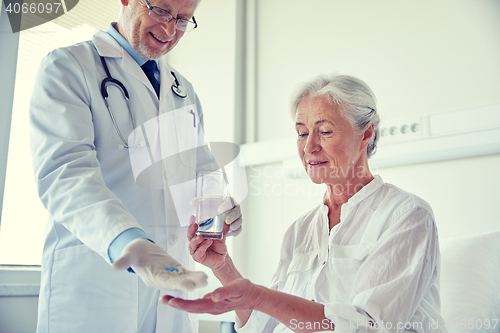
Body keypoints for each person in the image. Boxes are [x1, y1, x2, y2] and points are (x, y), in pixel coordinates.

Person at [162, 74, 447, 333]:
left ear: (366, 134)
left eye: (324, 131)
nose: (309, 147)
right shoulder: (300, 231)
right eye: (301, 133)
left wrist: (259, 295)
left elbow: (367, 327)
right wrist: (223, 266)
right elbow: (264, 325)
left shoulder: (406, 216)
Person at [29, 0, 242, 332]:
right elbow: (65, 175)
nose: (170, 30)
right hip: (96, 287)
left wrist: (219, 205)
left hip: (170, 291)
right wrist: (127, 241)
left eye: (184, 20)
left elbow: (202, 172)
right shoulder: (69, 66)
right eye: (160, 11)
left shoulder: (183, 91)